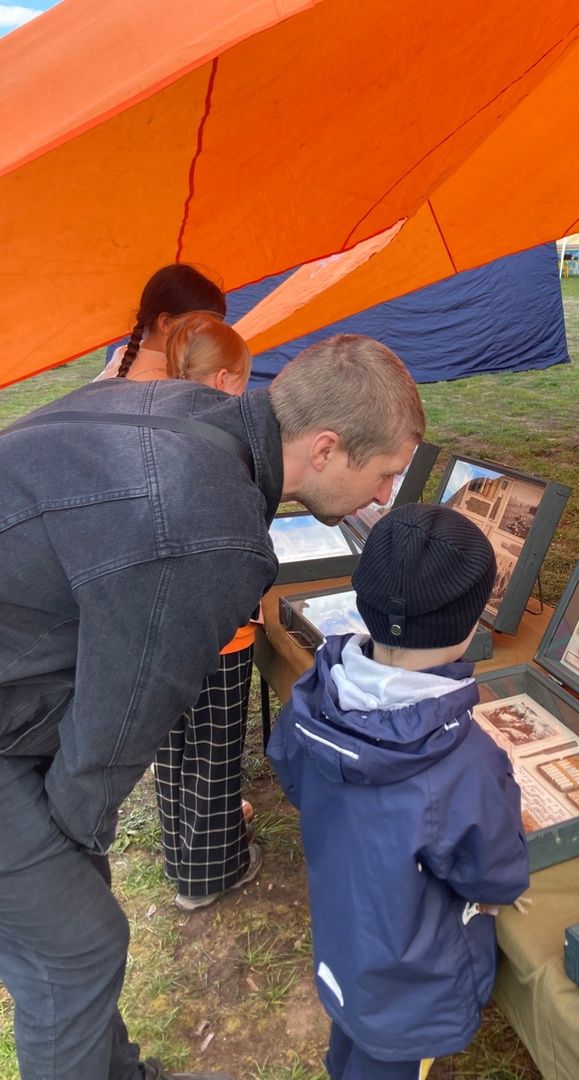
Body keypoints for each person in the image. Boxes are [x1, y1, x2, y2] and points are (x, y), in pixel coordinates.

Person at [0, 331, 425, 1080]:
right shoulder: (208, 532)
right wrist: (69, 852)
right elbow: (115, 731)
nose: (387, 497)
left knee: (69, 928)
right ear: (325, 448)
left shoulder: (186, 406)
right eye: (386, 473)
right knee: (74, 948)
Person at [268, 503, 529, 1080]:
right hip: (414, 980)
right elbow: (495, 875)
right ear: (471, 621)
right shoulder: (465, 764)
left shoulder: (314, 698)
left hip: (348, 933)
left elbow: (289, 768)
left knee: (353, 1037)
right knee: (387, 1061)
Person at [122, 311, 261, 911]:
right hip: (219, 630)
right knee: (216, 748)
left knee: (175, 744)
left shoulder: (150, 419)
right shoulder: (221, 442)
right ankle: (208, 875)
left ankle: (183, 847)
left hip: (160, 621)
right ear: (228, 381)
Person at [95, 263, 227, 381]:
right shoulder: (159, 383)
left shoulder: (125, 354)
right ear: (166, 324)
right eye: (202, 330)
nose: (210, 341)